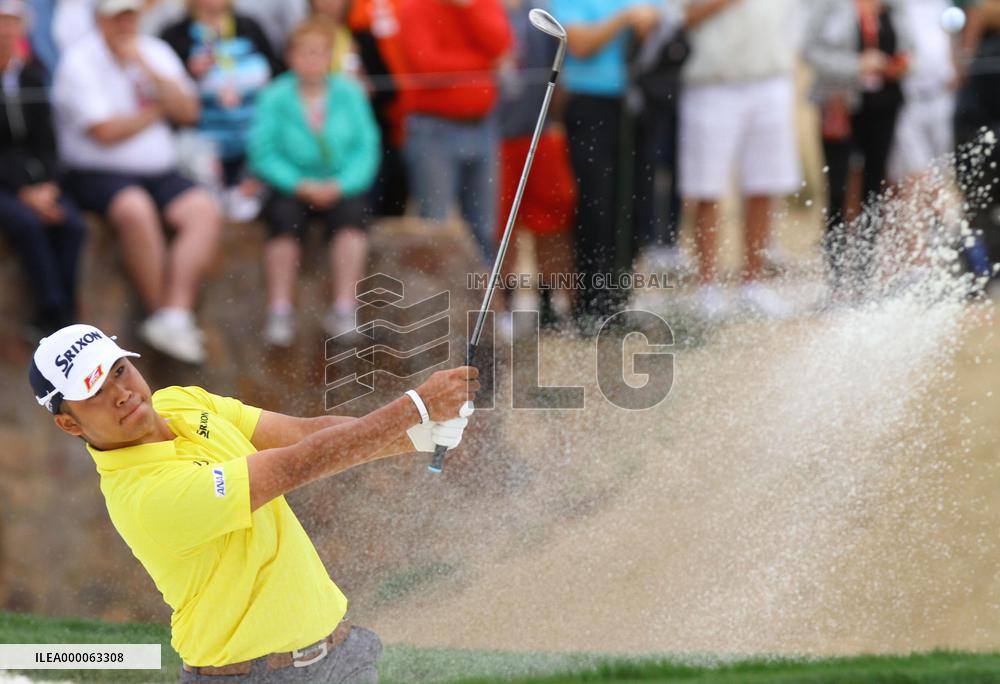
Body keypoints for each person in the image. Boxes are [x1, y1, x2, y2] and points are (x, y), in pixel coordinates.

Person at [28, 323, 478, 682]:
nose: (120, 393)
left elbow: (305, 434)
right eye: (94, 391)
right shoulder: (145, 496)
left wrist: (420, 437)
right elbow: (292, 466)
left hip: (341, 655)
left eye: (119, 370)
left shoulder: (182, 403)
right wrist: (415, 407)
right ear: (70, 424)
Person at [51, 0, 223, 364]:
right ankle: (162, 313)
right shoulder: (79, 60)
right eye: (117, 17)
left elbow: (190, 111)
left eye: (130, 15)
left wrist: (146, 69)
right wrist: (160, 108)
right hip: (96, 172)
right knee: (135, 209)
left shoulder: (154, 52)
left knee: (203, 210)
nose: (125, 24)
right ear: (100, 19)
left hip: (159, 171)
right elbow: (105, 131)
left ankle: (174, 315)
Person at [249, 19, 381, 347]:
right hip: (292, 186)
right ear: (291, 56)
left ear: (329, 57)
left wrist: (343, 184)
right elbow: (262, 151)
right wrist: (299, 184)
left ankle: (344, 307)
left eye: (319, 52)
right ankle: (279, 309)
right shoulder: (275, 95)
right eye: (304, 52)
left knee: (353, 220)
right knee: (283, 223)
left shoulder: (350, 93)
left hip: (341, 185)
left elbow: (367, 146)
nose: (312, 60)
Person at [679, 0, 804, 320]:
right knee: (707, 188)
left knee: (765, 183)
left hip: (771, 78)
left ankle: (753, 283)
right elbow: (679, 17)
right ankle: (706, 286)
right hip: (713, 81)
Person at [549, 0, 661, 330]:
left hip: (638, 103)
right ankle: (590, 305)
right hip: (590, 105)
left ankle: (618, 301)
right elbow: (580, 45)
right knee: (596, 207)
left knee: (635, 207)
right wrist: (625, 19)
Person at [805, 0, 910, 288]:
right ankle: (836, 280)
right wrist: (855, 66)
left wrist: (899, 65)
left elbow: (908, 46)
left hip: (883, 104)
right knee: (838, 191)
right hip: (839, 104)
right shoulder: (827, 6)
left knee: (874, 190)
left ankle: (866, 275)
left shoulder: (893, 6)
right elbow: (810, 50)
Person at [398, 0, 513, 264]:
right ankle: (435, 302)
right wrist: (483, 63)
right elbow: (425, 64)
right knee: (434, 224)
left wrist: (469, 8)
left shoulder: (483, 5)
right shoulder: (415, 8)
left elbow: (502, 45)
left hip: (483, 126)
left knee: (485, 226)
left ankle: (484, 301)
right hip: (433, 129)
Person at [0, 0, 87, 339]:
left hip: (35, 182)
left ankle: (68, 312)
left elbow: (47, 142)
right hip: (11, 186)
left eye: (11, 23)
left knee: (72, 224)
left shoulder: (31, 75)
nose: (6, 32)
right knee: (27, 225)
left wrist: (48, 187)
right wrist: (24, 191)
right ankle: (51, 310)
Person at [495, 0, 577, 335]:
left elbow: (560, 75)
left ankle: (551, 301)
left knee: (552, 221)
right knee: (501, 227)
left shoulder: (541, 11)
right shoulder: (484, 11)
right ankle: (504, 304)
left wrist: (556, 122)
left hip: (539, 132)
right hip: (496, 135)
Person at [160, 0, 281, 221]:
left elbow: (277, 76)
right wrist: (190, 74)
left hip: (253, 147)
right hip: (200, 149)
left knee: (251, 214)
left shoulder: (249, 27)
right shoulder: (175, 34)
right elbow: (162, 90)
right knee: (207, 213)